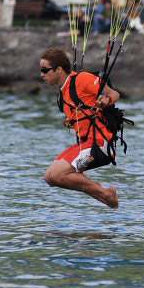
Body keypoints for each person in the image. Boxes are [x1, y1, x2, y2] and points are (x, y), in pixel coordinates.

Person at [40, 47, 120, 208]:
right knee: (49, 177)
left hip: (100, 144)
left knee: (58, 174)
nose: (41, 74)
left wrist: (107, 100)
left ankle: (105, 193)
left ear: (59, 69)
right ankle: (101, 193)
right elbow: (81, 110)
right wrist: (72, 121)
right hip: (85, 144)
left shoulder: (82, 79)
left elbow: (114, 93)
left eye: (45, 70)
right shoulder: (62, 93)